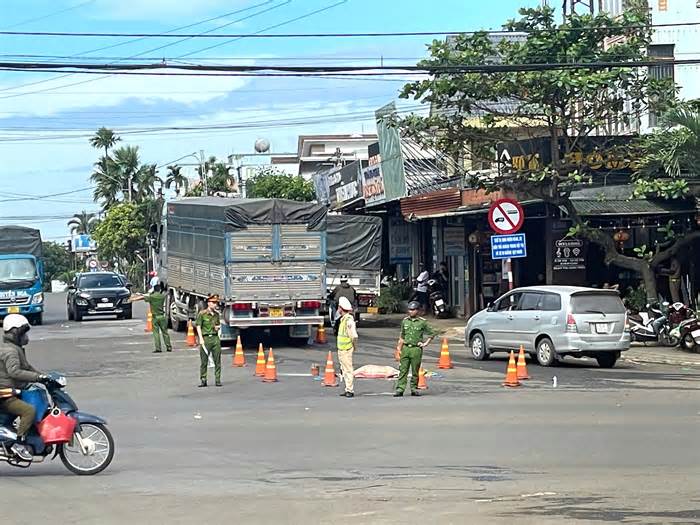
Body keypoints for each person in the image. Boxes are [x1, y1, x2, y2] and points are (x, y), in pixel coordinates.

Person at [0, 314, 51, 461]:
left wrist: (45, 377)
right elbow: (14, 372)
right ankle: (19, 443)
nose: (26, 337)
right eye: (24, 332)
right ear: (15, 332)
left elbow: (27, 368)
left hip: (13, 391)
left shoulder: (15, 349)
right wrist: (37, 377)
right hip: (5, 395)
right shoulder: (10, 351)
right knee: (29, 411)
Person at [394, 301, 438, 397]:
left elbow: (432, 333)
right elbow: (402, 336)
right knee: (402, 370)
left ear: (418, 311)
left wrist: (425, 344)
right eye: (410, 309)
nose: (411, 311)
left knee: (415, 370)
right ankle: (400, 389)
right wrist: (398, 349)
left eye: (413, 310)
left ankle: (413, 389)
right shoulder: (405, 321)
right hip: (406, 348)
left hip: (416, 349)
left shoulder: (422, 322)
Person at [130, 283, 172, 353]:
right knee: (165, 332)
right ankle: (169, 347)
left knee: (156, 333)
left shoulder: (152, 296)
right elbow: (166, 292)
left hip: (155, 317)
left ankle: (158, 348)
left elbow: (142, 297)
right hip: (162, 316)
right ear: (159, 290)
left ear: (154, 290)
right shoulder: (162, 296)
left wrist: (133, 299)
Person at [195, 295, 222, 387]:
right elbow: (198, 326)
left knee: (217, 360)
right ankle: (203, 379)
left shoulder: (217, 315)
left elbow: (218, 325)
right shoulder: (202, 314)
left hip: (215, 338)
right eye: (213, 302)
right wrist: (201, 338)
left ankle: (217, 379)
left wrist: (217, 327)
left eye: (216, 303)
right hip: (206, 338)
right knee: (204, 361)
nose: (215, 304)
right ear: (208, 303)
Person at [336, 296, 358, 398]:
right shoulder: (343, 319)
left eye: (338, 307)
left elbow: (354, 336)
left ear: (341, 308)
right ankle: (347, 388)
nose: (338, 309)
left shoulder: (348, 320)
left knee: (348, 369)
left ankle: (350, 390)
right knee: (344, 370)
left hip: (347, 349)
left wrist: (354, 346)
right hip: (342, 349)